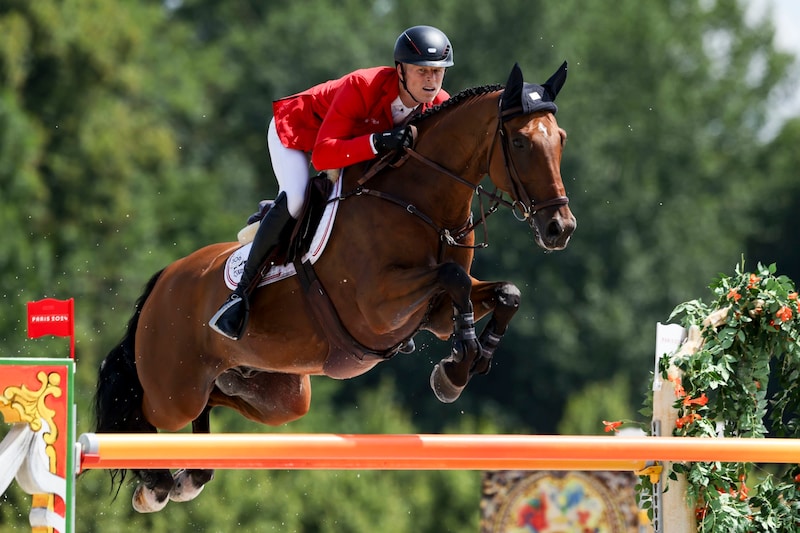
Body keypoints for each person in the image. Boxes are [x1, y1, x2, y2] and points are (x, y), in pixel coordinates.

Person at [209, 25, 454, 340]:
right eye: (423, 71)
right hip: (297, 132)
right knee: (296, 197)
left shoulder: (438, 104)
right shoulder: (362, 86)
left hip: (347, 148)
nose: (432, 81)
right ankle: (238, 296)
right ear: (401, 70)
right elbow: (323, 157)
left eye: (438, 72)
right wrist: (379, 141)